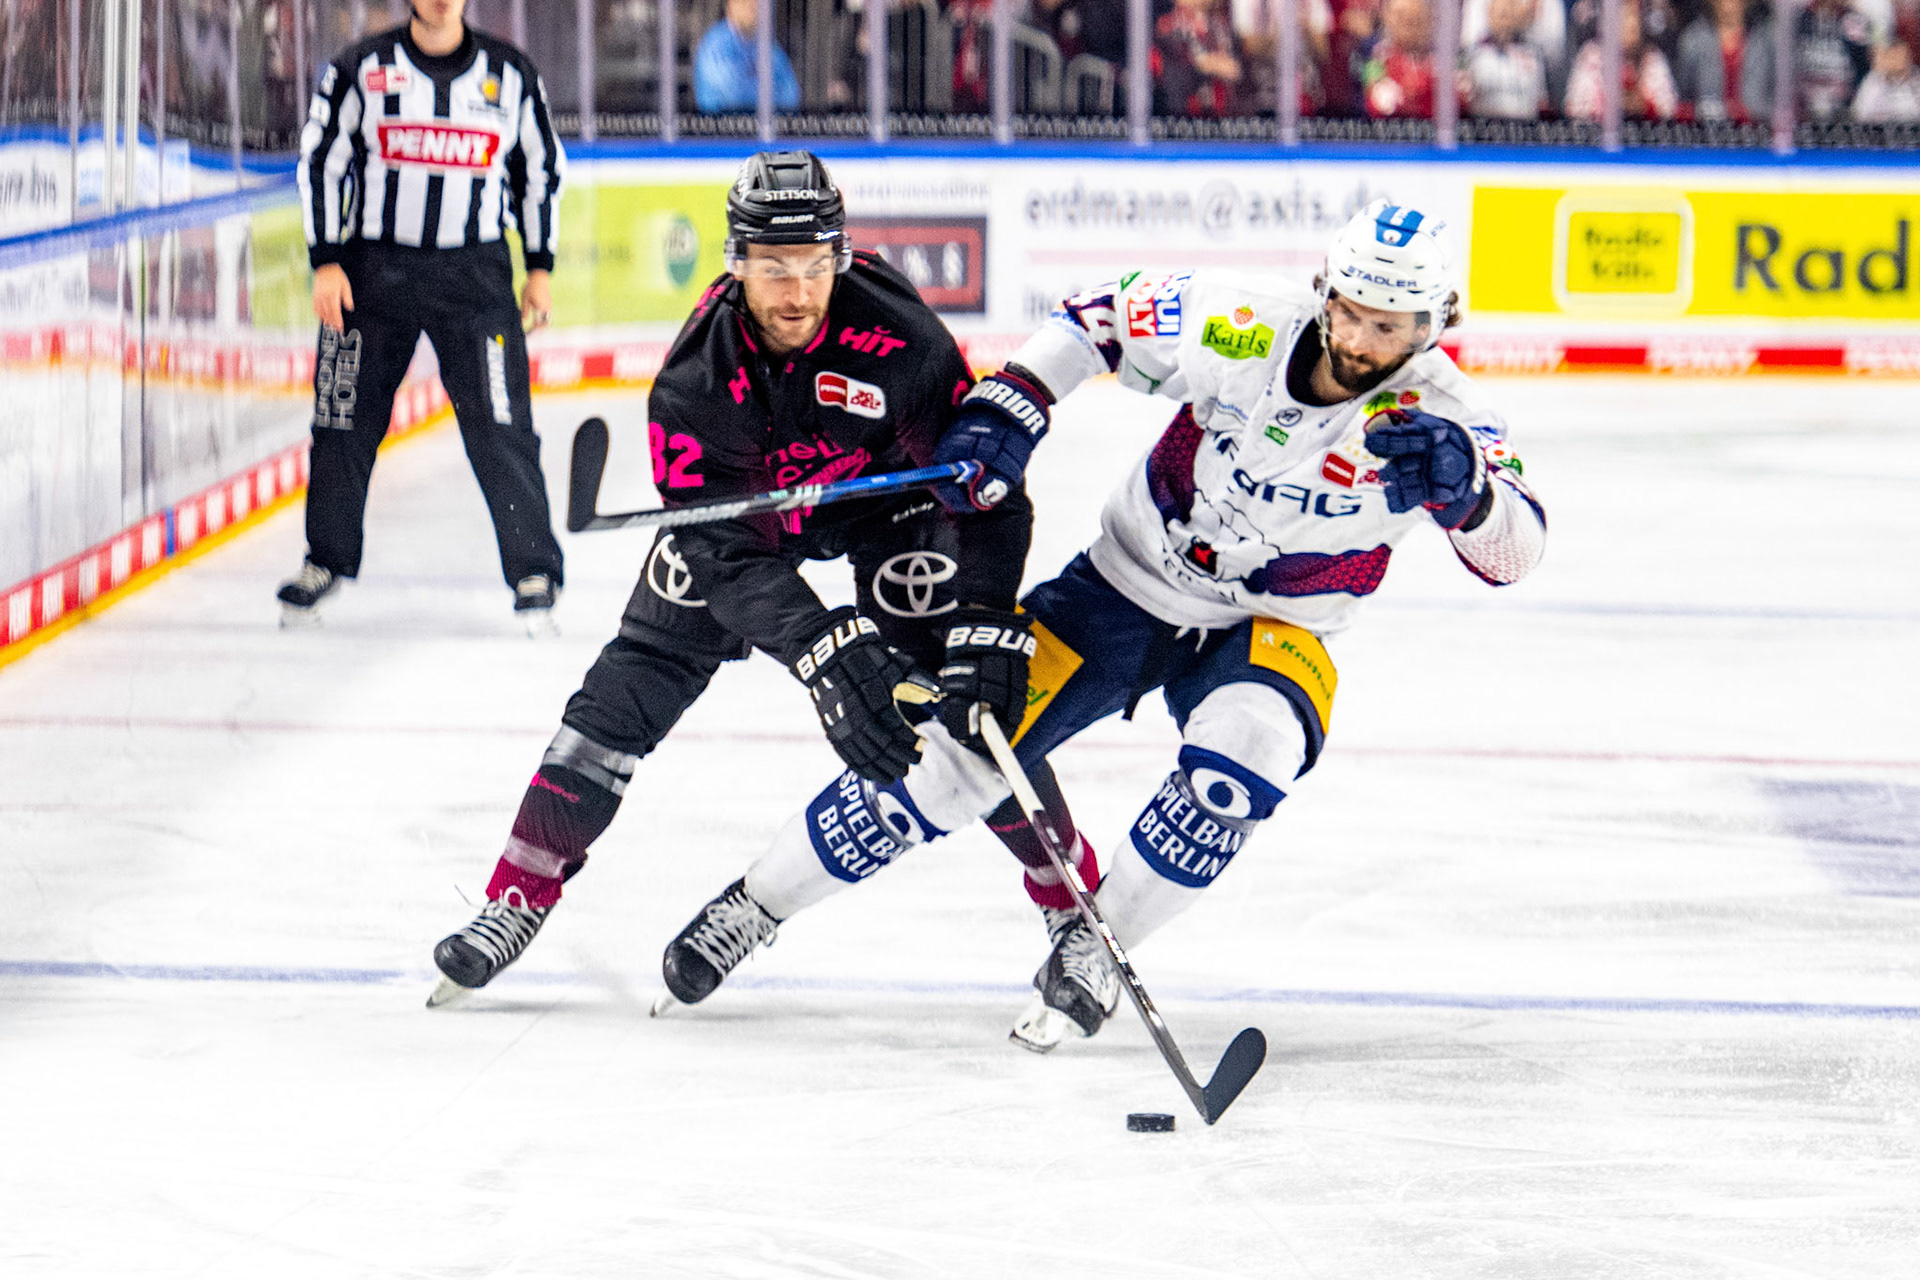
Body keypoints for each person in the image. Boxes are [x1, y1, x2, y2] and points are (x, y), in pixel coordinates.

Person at [660, 200, 1548, 1052]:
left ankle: (1097, 940)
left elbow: (1517, 551)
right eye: (1350, 312)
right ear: (1324, 289)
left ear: (1436, 324)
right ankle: (756, 904)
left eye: (1389, 327)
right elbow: (1100, 317)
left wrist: (1468, 492)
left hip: (1280, 623)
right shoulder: (1243, 322)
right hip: (1128, 584)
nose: (1359, 341)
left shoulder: (1449, 423)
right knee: (953, 759)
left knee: (1249, 759)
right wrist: (1016, 400)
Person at [427, 150, 1058, 1004]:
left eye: (812, 267)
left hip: (884, 509)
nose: (795, 293)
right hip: (750, 527)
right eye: (771, 270)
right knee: (630, 684)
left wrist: (983, 615)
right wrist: (820, 647)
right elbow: (725, 556)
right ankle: (517, 893)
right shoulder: (694, 383)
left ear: (837, 255)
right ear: (737, 263)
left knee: (972, 702)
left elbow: (983, 486)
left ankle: (1068, 906)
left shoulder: (905, 341)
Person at [283, 0, 567, 633]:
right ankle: (325, 558)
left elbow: (539, 172)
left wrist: (540, 266)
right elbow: (323, 162)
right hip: (372, 274)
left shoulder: (510, 73)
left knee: (501, 424)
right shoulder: (360, 68)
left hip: (476, 276)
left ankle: (534, 569)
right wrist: (326, 260)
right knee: (341, 420)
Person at [1564, 0, 1678, 119]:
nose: (1632, 24)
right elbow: (1575, 111)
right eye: (1625, 18)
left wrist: (1643, 104)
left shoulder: (1652, 58)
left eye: (1634, 17)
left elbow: (1669, 111)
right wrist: (1613, 102)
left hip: (1646, 132)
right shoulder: (1591, 57)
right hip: (1599, 133)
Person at [693, 0, 803, 113]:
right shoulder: (715, 45)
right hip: (724, 127)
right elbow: (735, 97)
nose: (752, 5)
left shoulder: (767, 45)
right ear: (730, 6)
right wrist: (773, 92)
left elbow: (791, 94)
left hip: (768, 126)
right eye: (744, 1)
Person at [1463, 0, 1552, 119]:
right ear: (1489, 14)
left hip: (1524, 130)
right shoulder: (1474, 55)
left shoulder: (1533, 53)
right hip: (1483, 128)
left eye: (1510, 10)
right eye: (1500, 13)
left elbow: (1541, 101)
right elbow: (1464, 99)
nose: (1506, 14)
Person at [1362, 0, 1438, 118]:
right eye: (1401, 16)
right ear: (1387, 17)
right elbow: (1375, 103)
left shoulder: (1442, 61)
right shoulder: (1378, 59)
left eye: (1416, 18)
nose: (1408, 23)